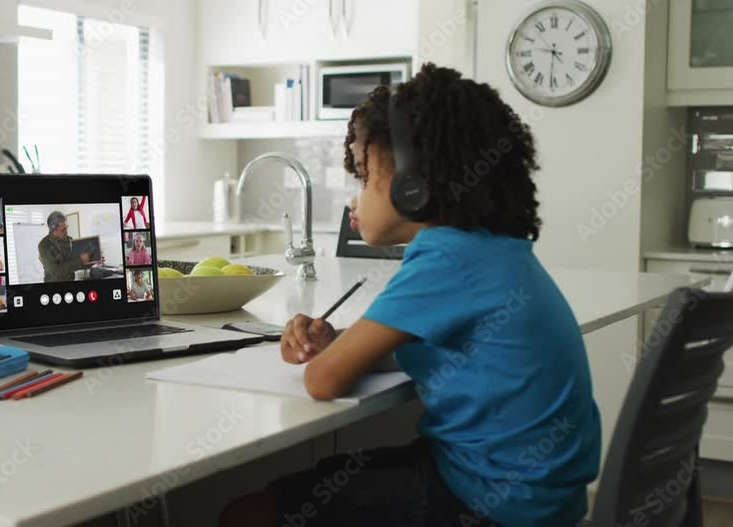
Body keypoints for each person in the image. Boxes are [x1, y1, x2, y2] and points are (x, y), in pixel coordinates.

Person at [220, 65, 601, 527]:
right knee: (313, 482)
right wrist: (337, 341)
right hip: (533, 495)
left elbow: (323, 382)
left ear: (413, 183)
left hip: (488, 503)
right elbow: (425, 352)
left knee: (248, 513)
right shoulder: (489, 247)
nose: (353, 199)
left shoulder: (445, 257)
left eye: (362, 176)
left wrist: (329, 357)